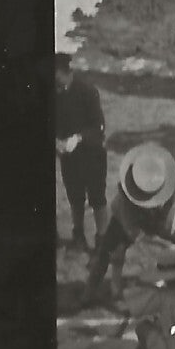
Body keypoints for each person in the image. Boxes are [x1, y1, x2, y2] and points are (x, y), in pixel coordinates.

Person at [85, 143, 175, 304]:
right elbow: (136, 234)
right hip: (133, 220)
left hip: (165, 220)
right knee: (109, 250)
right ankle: (92, 290)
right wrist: (166, 247)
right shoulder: (126, 202)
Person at [55, 52, 108, 249]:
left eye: (57, 77)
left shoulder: (87, 91)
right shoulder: (56, 94)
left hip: (92, 154)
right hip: (70, 157)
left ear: (65, 73)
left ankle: (102, 239)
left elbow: (99, 127)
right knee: (75, 197)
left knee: (97, 198)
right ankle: (78, 235)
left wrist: (78, 138)